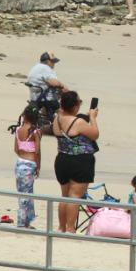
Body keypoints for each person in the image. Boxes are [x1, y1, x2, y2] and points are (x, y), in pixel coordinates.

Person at [50, 90, 99, 233]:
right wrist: (93, 117)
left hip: (62, 159)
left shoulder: (57, 119)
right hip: (80, 161)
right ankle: (70, 228)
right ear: (75, 105)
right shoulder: (78, 122)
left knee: (65, 196)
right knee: (75, 197)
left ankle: (61, 227)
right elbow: (95, 134)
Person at [8, 104, 41, 229]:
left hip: (19, 163)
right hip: (30, 164)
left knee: (23, 192)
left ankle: (26, 221)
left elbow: (16, 148)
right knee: (26, 195)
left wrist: (23, 155)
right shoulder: (35, 132)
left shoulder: (18, 130)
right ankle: (22, 222)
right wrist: (38, 166)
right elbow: (37, 151)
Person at [26, 50, 63, 128]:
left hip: (34, 98)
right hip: (45, 99)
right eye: (53, 62)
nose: (54, 64)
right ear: (48, 61)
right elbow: (54, 83)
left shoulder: (36, 67)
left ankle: (45, 117)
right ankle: (63, 124)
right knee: (63, 99)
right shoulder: (46, 69)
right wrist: (62, 85)